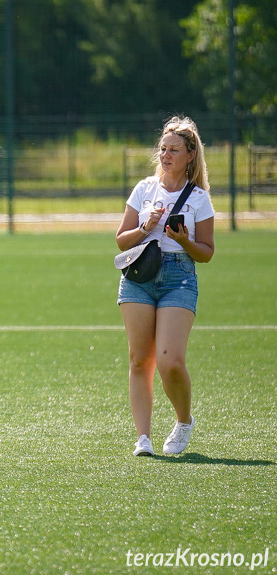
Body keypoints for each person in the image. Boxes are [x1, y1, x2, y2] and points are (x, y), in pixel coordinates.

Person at [115, 116, 215, 457]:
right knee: (140, 360)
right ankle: (143, 438)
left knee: (170, 361)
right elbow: (120, 240)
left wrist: (184, 241)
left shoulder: (199, 198)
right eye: (162, 148)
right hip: (139, 277)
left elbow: (207, 253)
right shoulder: (144, 188)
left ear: (190, 155)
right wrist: (145, 227)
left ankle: (183, 420)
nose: (166, 154)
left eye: (174, 149)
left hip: (179, 276)